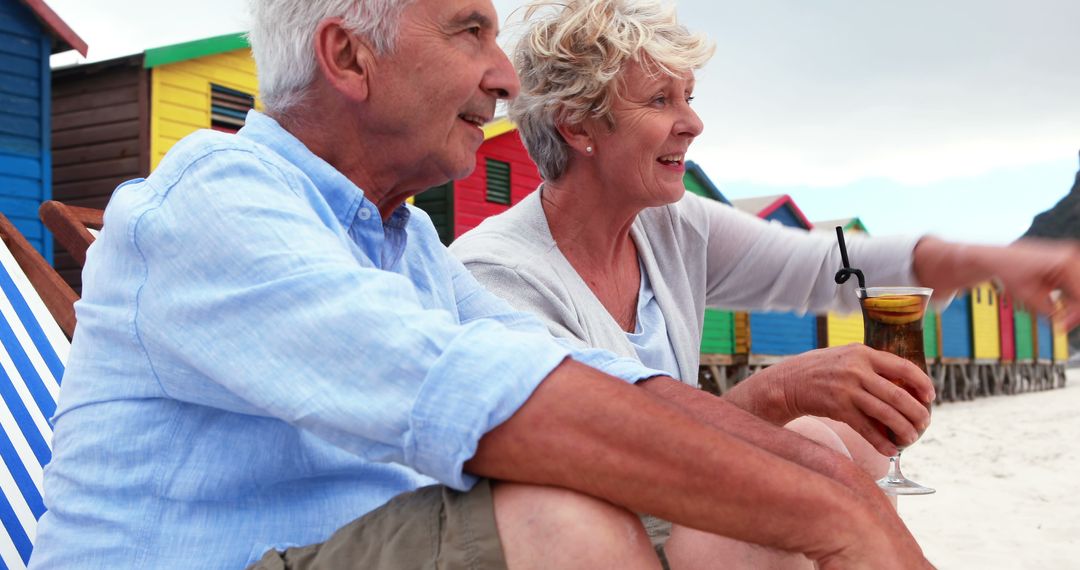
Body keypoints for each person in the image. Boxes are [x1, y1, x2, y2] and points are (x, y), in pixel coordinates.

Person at [17, 2, 1047, 570]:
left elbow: (600, 380)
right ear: (348, 56)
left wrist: (818, 476)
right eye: (469, 31)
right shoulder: (219, 208)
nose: (504, 76)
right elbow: (500, 406)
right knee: (569, 521)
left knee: (792, 475)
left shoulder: (400, 243)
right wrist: (831, 514)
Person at [449, 0, 1080, 567]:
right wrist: (777, 392)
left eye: (689, 97)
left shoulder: (671, 226)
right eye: (660, 100)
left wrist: (997, 261)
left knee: (829, 443)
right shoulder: (499, 272)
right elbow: (607, 448)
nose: (693, 123)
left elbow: (823, 266)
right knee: (799, 446)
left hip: (674, 508)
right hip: (596, 534)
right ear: (577, 127)